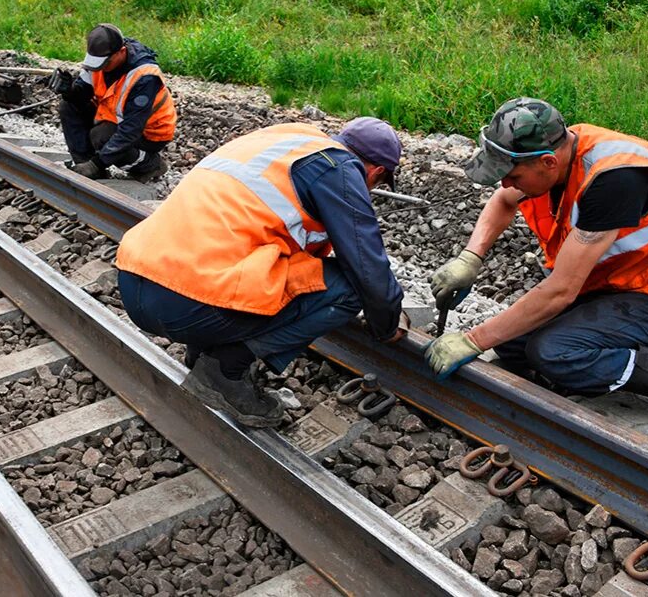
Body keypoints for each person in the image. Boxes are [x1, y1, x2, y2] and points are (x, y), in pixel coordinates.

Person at [425, 98, 648, 453]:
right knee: (512, 343)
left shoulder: (614, 179)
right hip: (617, 282)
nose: (506, 182)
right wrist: (469, 259)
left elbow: (561, 291)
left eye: (512, 175)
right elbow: (503, 202)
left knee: (553, 351)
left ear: (548, 162)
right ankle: (614, 358)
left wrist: (473, 340)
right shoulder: (551, 158)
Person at [117, 117, 410, 427]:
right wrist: (387, 323)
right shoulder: (339, 170)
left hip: (135, 277)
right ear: (377, 172)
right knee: (350, 288)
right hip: (185, 304)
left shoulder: (291, 139)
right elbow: (368, 268)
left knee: (253, 257)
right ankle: (226, 368)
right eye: (376, 185)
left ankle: (201, 352)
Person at [47, 23, 176, 183]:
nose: (101, 68)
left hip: (149, 132)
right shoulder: (99, 62)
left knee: (101, 136)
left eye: (105, 64)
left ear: (121, 52)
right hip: (112, 116)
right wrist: (69, 91)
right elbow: (82, 97)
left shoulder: (144, 76)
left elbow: (131, 130)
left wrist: (97, 163)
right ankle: (84, 166)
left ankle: (150, 165)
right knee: (69, 107)